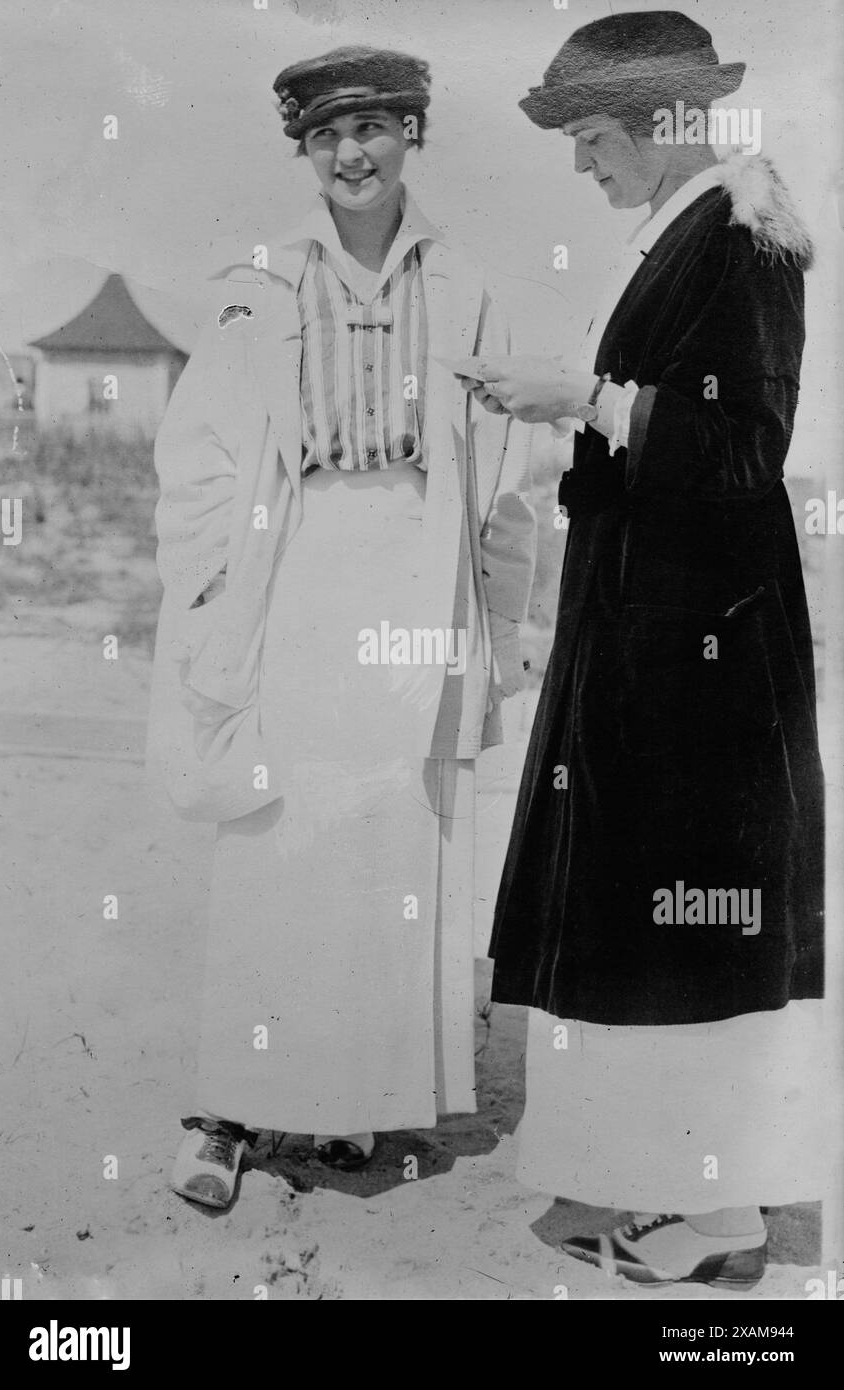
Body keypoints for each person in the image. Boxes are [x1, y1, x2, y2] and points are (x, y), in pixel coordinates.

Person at [464, 12, 826, 1288]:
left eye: (596, 136)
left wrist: (591, 399)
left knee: (694, 922)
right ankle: (667, 1190)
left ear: (670, 123)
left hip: (706, 647)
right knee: (655, 912)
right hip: (659, 627)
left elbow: (741, 450)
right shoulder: (696, 233)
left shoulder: (740, 237)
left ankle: (713, 1220)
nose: (581, 164)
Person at [145, 45, 536, 1209]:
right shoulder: (258, 283)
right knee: (272, 841)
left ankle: (354, 1103)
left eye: (372, 129)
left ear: (413, 133)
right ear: (303, 152)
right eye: (325, 137)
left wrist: (500, 629)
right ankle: (225, 1116)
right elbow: (202, 457)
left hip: (417, 584)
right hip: (295, 574)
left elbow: (507, 488)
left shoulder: (466, 289)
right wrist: (211, 596)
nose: (350, 155)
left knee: (386, 851)